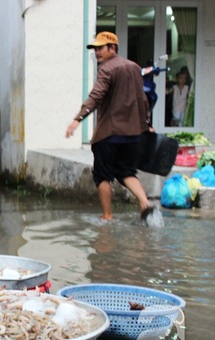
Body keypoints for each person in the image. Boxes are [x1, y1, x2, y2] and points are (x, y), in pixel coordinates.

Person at [65, 32, 154, 222]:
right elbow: (143, 100)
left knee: (102, 175)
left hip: (110, 135)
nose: (97, 52)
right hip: (132, 136)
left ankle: (107, 215)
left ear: (112, 48)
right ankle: (145, 203)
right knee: (126, 172)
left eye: (100, 48)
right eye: (95, 49)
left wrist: (77, 119)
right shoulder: (134, 67)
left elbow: (96, 96)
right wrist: (147, 124)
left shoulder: (106, 69)